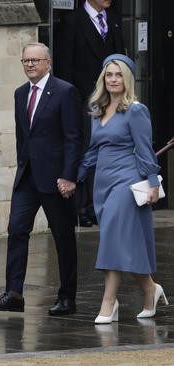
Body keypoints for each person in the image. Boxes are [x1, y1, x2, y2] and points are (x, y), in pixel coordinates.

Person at [0, 42, 82, 316]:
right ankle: (14, 293)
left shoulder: (65, 92)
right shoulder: (20, 94)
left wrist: (69, 175)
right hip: (27, 177)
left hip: (56, 179)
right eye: (26, 61)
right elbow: (22, 136)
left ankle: (67, 297)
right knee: (16, 231)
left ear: (48, 63)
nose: (30, 65)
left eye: (35, 61)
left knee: (63, 238)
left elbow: (74, 137)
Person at [77, 54, 166, 324]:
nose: (113, 79)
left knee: (112, 240)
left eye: (118, 75)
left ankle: (108, 302)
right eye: (109, 75)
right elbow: (93, 151)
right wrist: (75, 176)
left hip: (127, 181)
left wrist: (153, 182)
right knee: (123, 242)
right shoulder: (97, 109)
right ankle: (150, 288)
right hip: (102, 183)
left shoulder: (136, 110)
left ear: (127, 79)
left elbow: (144, 148)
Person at [57, 0, 125, 227]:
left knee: (108, 148)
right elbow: (65, 65)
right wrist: (69, 101)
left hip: (111, 98)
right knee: (86, 148)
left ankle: (101, 204)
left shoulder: (113, 20)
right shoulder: (72, 21)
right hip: (83, 100)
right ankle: (82, 207)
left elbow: (121, 61)